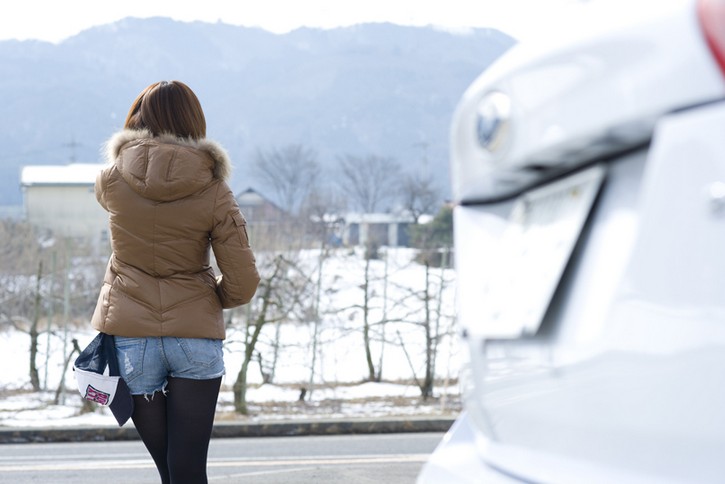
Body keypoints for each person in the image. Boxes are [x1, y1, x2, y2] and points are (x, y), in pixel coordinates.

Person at [91, 80, 260, 484]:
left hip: (132, 339)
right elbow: (243, 281)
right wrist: (207, 299)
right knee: (188, 469)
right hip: (194, 337)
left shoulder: (111, 181)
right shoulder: (215, 189)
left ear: (137, 118)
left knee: (169, 471)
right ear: (192, 121)